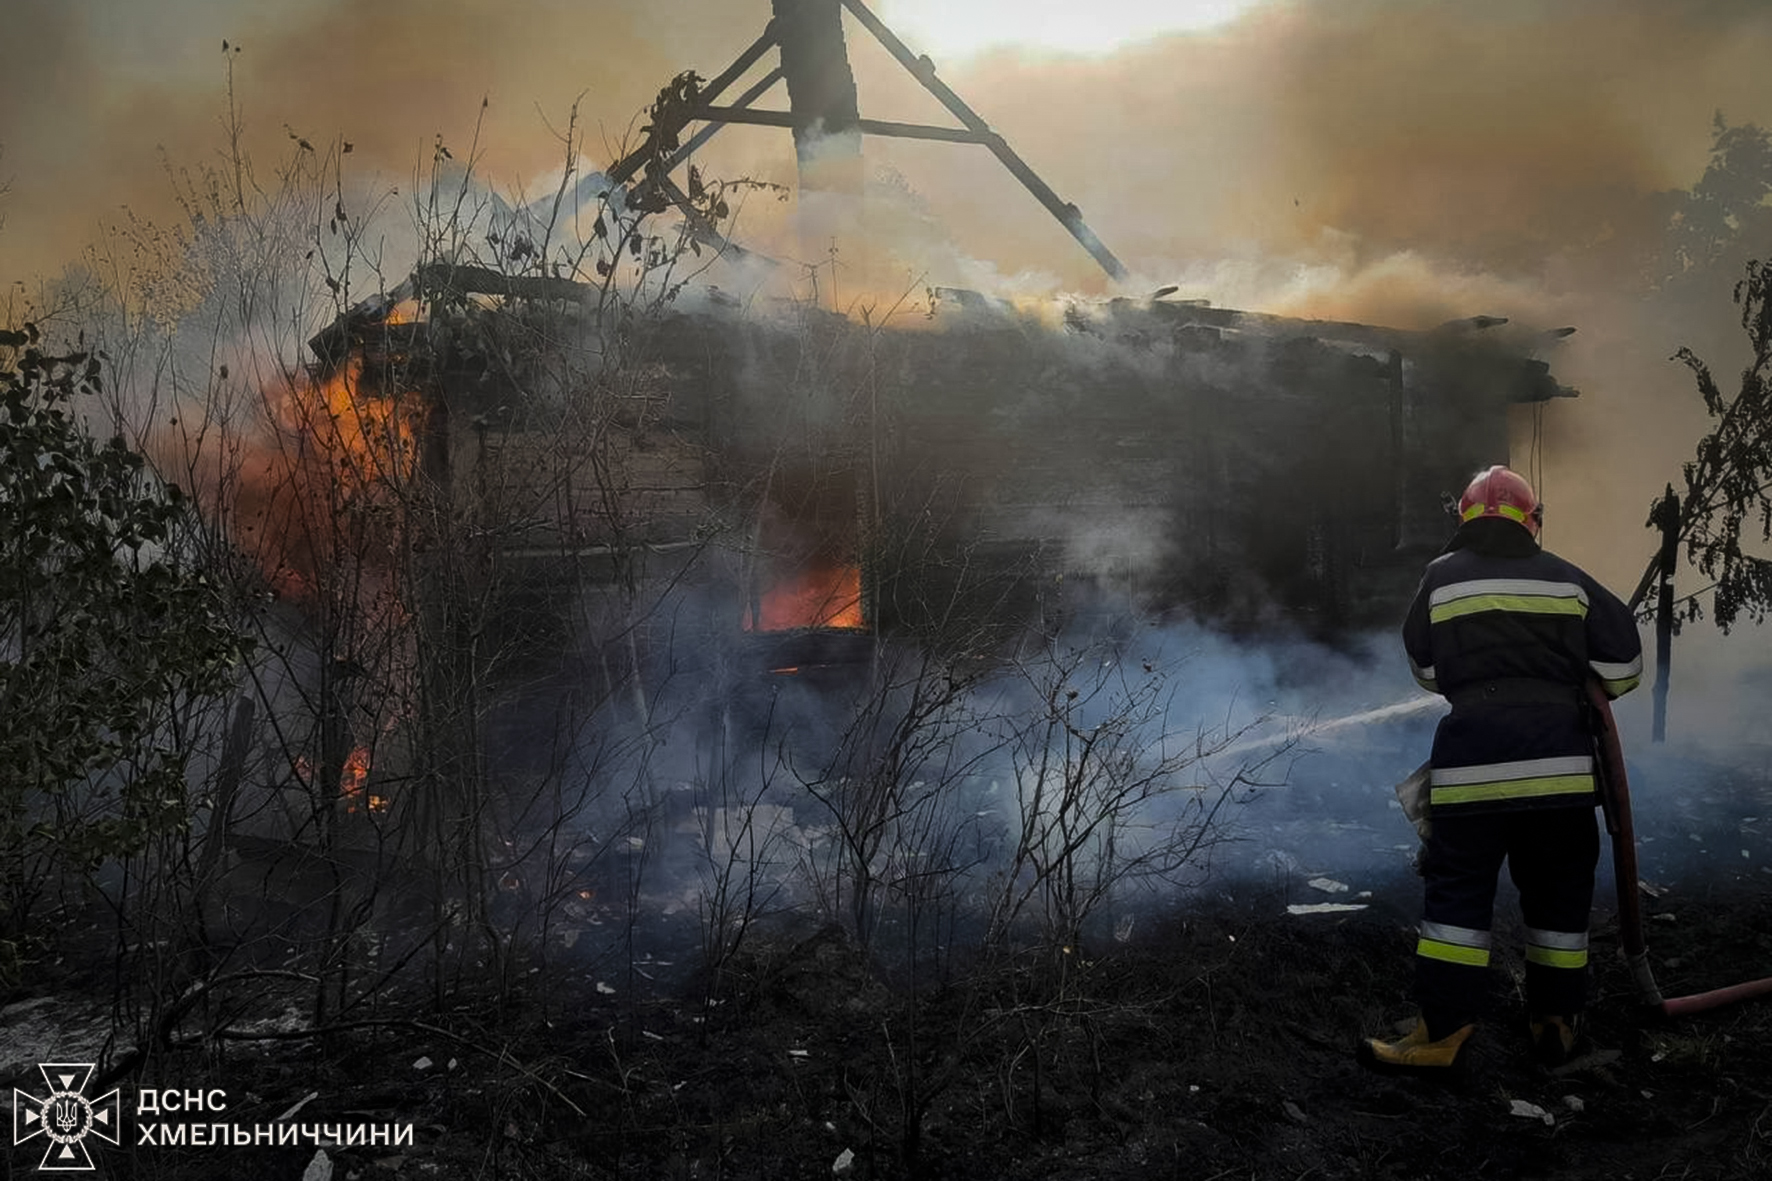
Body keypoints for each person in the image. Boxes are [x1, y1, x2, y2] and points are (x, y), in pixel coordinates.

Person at [1363, 465, 1643, 1069]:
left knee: (1458, 897)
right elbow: (1624, 669)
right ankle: (1556, 1022)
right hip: (1561, 772)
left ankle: (1441, 1033)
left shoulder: (1440, 577)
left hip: (1471, 769)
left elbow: (1426, 671)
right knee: (1560, 894)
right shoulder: (1568, 578)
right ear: (1532, 521)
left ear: (1463, 519)